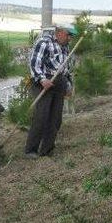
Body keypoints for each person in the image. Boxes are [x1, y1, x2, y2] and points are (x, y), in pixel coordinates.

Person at [25, 25, 77, 158]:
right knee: (41, 117)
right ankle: (31, 150)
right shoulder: (44, 43)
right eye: (68, 35)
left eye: (71, 36)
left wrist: (68, 85)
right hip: (44, 84)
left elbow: (65, 68)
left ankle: (47, 150)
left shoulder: (65, 46)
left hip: (59, 84)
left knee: (55, 119)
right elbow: (34, 64)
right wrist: (42, 80)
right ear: (59, 32)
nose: (70, 38)